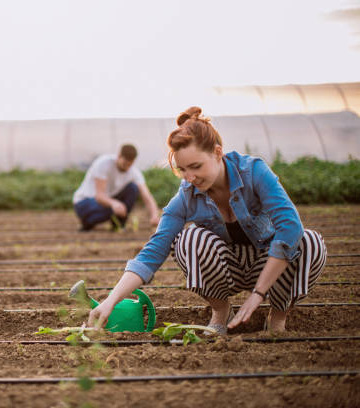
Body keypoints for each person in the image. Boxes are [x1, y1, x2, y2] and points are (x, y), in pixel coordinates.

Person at [87, 107, 327, 333]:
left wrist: (258, 293)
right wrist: (110, 301)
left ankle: (278, 315)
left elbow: (289, 225)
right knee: (188, 240)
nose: (190, 177)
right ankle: (220, 311)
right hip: (227, 269)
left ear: (218, 152)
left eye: (196, 166)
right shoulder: (187, 196)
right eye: (182, 170)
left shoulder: (254, 172)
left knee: (309, 242)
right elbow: (151, 253)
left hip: (268, 264)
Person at [73, 144, 161, 231]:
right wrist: (114, 203)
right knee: (112, 207)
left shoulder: (134, 172)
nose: (127, 168)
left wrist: (154, 215)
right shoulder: (103, 163)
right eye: (124, 164)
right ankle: (87, 222)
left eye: (129, 165)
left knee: (133, 188)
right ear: (119, 156)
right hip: (83, 203)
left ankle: (118, 225)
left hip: (105, 204)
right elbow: (99, 196)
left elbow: (147, 196)